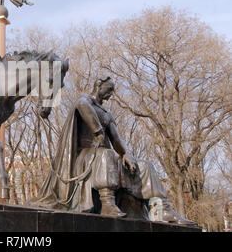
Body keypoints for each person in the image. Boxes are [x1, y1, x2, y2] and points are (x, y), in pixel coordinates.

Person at [30, 76, 195, 225]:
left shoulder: (107, 113)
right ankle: (107, 202)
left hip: (102, 156)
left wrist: (127, 154)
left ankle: (164, 207)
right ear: (98, 86)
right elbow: (82, 105)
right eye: (108, 90)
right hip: (82, 156)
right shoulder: (84, 100)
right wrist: (98, 131)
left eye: (112, 91)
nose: (110, 94)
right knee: (107, 155)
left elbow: (116, 139)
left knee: (145, 165)